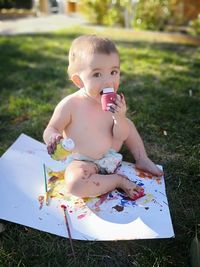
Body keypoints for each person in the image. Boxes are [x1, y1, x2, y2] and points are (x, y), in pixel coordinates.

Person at [43, 34, 163, 200]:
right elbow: (51, 128)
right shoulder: (70, 105)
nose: (108, 82)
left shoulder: (114, 103)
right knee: (74, 185)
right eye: (97, 74)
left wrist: (119, 118)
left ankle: (142, 158)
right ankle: (116, 181)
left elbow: (121, 135)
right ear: (79, 81)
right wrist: (53, 137)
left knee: (127, 123)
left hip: (110, 151)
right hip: (83, 160)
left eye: (114, 72)